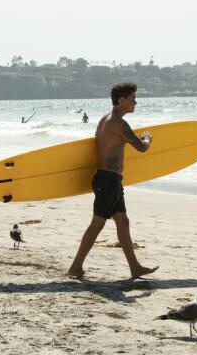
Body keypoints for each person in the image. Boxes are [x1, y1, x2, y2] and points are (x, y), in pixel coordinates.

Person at [68, 82, 158, 279]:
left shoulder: (105, 119)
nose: (136, 102)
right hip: (108, 181)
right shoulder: (119, 124)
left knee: (123, 221)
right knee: (97, 225)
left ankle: (135, 267)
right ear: (121, 100)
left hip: (110, 180)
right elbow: (142, 147)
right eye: (133, 98)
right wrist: (148, 139)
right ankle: (75, 267)